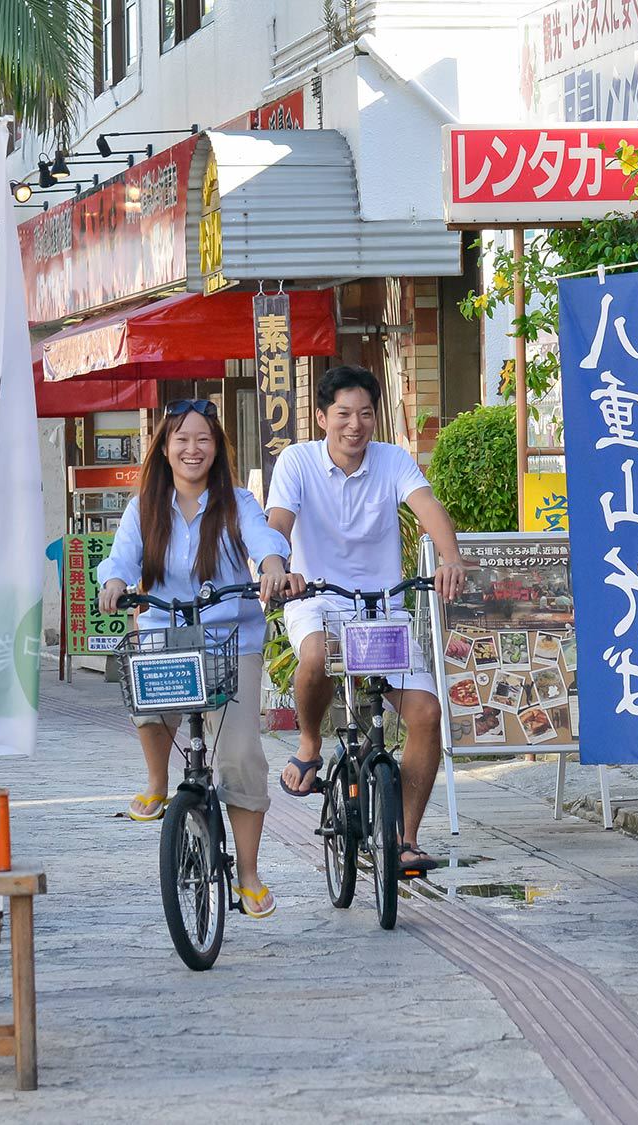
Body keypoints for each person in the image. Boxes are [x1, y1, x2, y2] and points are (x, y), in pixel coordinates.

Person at [265, 366, 467, 875]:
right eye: (343, 415)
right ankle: (310, 745)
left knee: (425, 714)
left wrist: (450, 559)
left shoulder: (393, 460)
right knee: (314, 656)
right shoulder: (296, 461)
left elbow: (429, 508)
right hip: (318, 600)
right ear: (321, 417)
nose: (355, 425)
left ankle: (405, 839)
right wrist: (276, 570)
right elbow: (277, 527)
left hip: (382, 608)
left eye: (366, 414)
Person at [97, 399, 291, 919]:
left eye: (202, 439)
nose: (192, 449)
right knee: (145, 694)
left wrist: (272, 565)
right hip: (166, 635)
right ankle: (159, 784)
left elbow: (264, 539)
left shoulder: (237, 502)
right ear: (164, 447)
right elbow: (119, 558)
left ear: (217, 447)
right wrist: (114, 581)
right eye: (181, 439)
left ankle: (248, 874)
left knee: (241, 757)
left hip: (231, 639)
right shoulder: (145, 508)